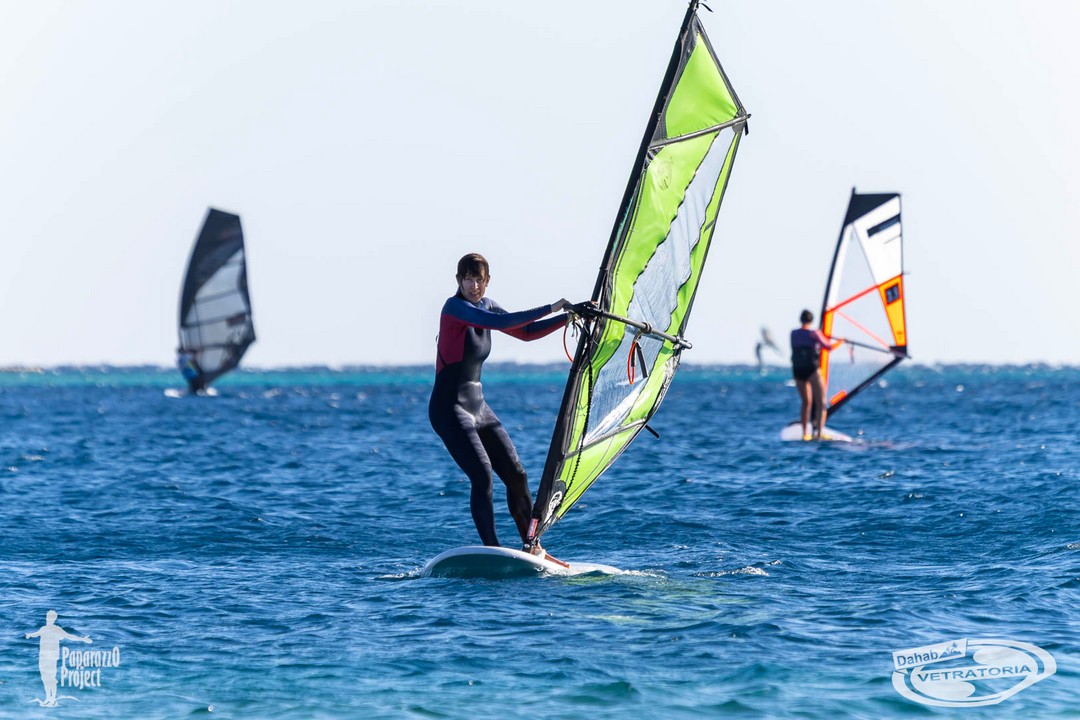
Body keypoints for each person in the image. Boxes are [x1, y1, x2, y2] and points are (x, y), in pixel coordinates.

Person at [429, 253, 570, 560]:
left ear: (488, 281)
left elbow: (526, 333)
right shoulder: (454, 308)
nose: (474, 286)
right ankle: (492, 549)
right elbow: (498, 323)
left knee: (516, 474)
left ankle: (532, 545)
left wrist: (568, 318)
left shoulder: (488, 305)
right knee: (482, 476)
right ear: (458, 281)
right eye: (468, 279)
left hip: (479, 408)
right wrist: (551, 307)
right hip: (448, 409)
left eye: (479, 279)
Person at [790, 309, 843, 440]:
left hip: (798, 370)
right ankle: (818, 433)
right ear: (811, 320)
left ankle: (805, 434)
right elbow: (828, 347)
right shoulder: (814, 333)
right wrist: (840, 341)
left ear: (800, 319)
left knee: (806, 402)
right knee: (821, 402)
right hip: (812, 369)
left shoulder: (793, 333)